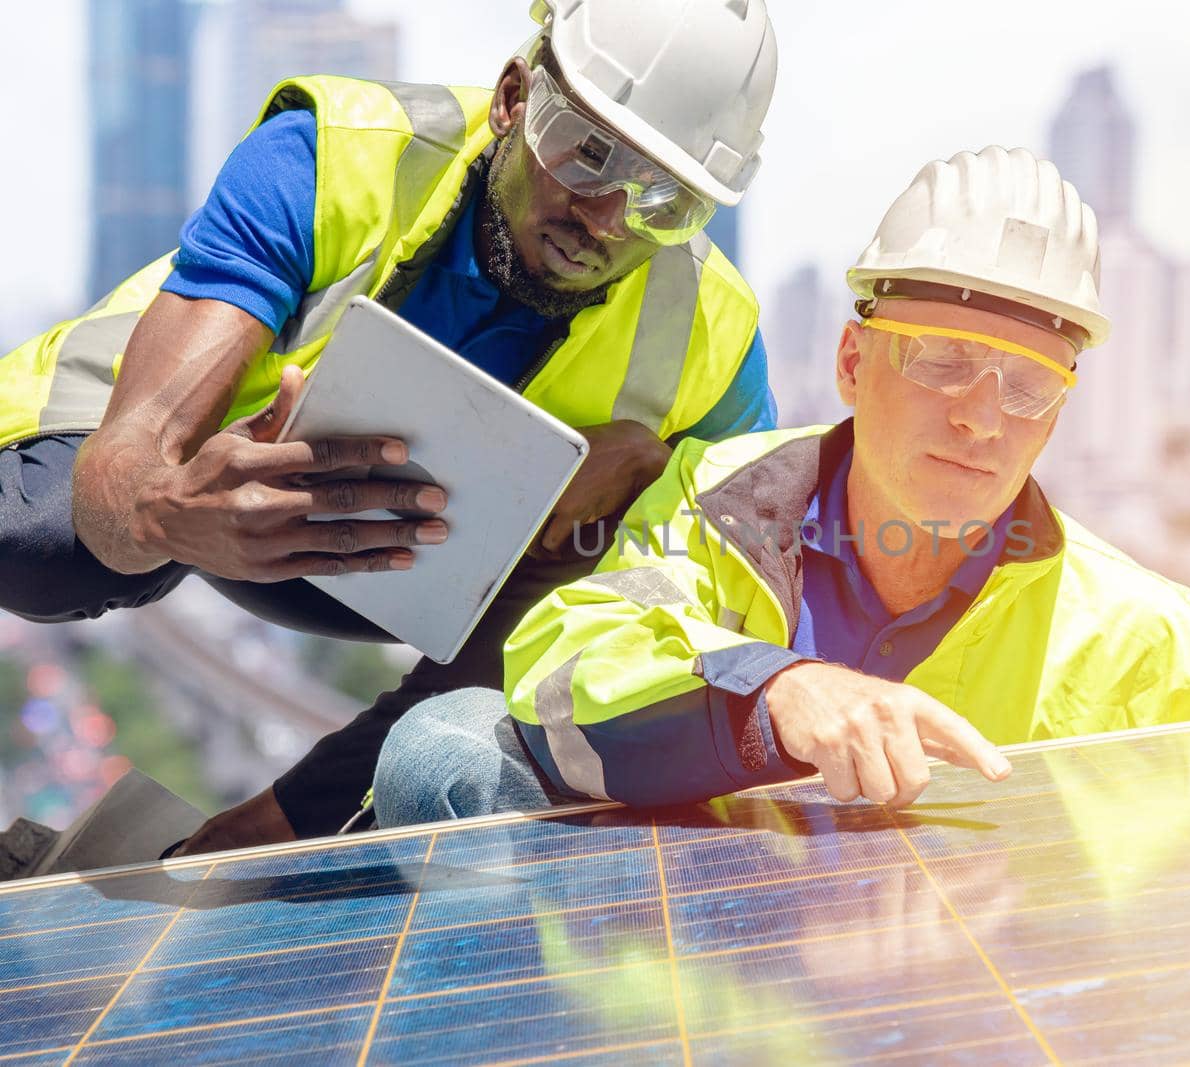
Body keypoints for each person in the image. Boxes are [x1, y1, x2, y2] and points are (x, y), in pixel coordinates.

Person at [0, 0, 780, 850]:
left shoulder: (713, 330)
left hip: (403, 556)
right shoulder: (330, 155)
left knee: (617, 584)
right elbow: (128, 465)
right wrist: (171, 512)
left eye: (663, 202)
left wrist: (645, 461)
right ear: (514, 99)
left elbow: (741, 590)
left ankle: (272, 829)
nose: (605, 218)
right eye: (587, 154)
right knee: (43, 548)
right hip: (154, 477)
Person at [371, 146, 1190, 826]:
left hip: (967, 1012)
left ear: (1056, 416)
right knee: (444, 753)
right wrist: (777, 693)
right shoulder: (718, 500)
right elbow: (564, 663)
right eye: (943, 360)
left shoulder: (1155, 651)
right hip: (704, 969)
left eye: (1026, 386)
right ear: (852, 362)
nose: (983, 418)